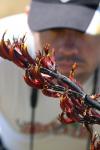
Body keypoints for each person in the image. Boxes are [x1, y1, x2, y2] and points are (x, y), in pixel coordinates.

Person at [0, 0, 100, 150]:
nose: (68, 49)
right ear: (29, 19)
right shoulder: (6, 50)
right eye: (55, 29)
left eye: (83, 31)